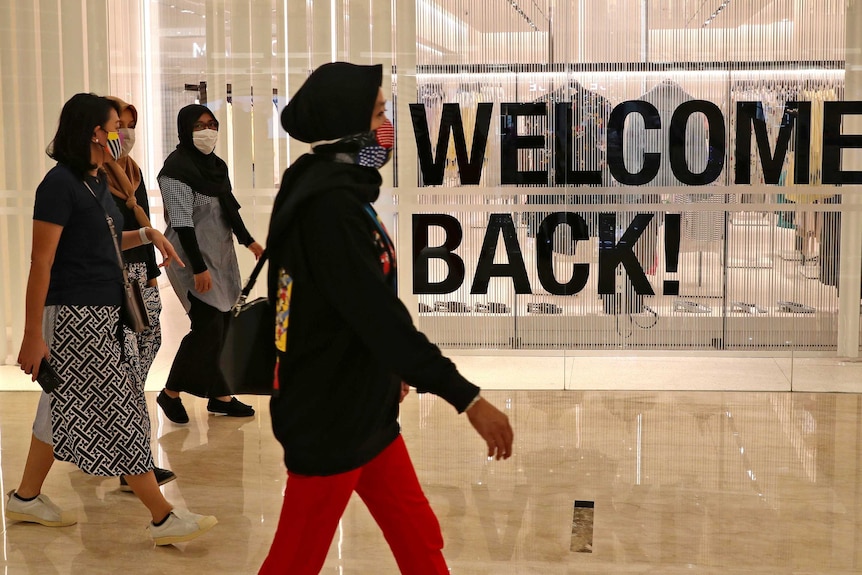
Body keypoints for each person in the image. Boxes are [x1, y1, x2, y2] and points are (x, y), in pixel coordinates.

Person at [258, 62, 514, 575]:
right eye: (378, 113)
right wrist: (466, 397)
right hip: (329, 416)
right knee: (294, 560)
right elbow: (376, 315)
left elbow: (352, 309)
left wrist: (386, 371)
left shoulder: (333, 190)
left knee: (419, 537)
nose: (388, 126)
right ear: (349, 126)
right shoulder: (327, 207)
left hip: (363, 405)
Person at [7, 93, 217, 545]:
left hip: (104, 313)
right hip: (73, 317)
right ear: (92, 133)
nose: (120, 135)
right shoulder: (58, 185)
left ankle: (25, 496)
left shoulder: (94, 184)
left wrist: (145, 233)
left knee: (62, 404)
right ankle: (163, 517)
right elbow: (41, 263)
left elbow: (101, 243)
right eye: (113, 127)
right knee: (120, 409)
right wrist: (31, 336)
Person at [157, 104, 264, 424]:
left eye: (212, 124)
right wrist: (199, 268)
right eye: (199, 126)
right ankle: (170, 393)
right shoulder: (175, 170)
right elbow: (183, 224)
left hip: (219, 254)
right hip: (191, 258)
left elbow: (229, 207)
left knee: (225, 326)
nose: (207, 131)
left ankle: (220, 396)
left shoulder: (215, 166)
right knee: (207, 329)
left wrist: (249, 241)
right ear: (185, 130)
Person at [103, 96, 176, 492]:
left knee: (144, 355)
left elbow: (144, 229)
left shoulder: (130, 171)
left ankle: (118, 455)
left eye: (131, 124)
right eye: (119, 125)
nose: (125, 134)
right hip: (112, 283)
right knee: (127, 373)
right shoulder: (95, 178)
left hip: (137, 279)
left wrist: (150, 279)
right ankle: (135, 466)